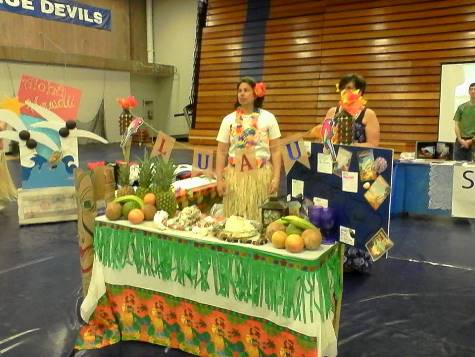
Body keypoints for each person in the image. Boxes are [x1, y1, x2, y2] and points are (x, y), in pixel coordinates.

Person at [215, 77, 281, 221]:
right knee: (235, 219)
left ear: (255, 94)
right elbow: (221, 152)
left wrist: (276, 178)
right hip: (234, 176)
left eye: (246, 90)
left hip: (261, 175)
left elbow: (276, 151)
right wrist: (219, 179)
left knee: (259, 217)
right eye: (239, 91)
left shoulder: (268, 118)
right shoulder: (229, 120)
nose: (242, 94)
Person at [325, 73, 380, 147]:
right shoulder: (332, 112)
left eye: (349, 88)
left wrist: (350, 146)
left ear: (359, 92)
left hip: (359, 156)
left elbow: (373, 145)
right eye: (342, 88)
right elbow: (324, 139)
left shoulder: (368, 114)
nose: (344, 91)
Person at [453, 82, 475, 161]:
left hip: (473, 142)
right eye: (471, 89)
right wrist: (460, 139)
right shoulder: (461, 107)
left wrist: (471, 141)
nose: (473, 91)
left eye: (474, 89)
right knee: (457, 166)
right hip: (460, 142)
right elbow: (456, 124)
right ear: (469, 92)